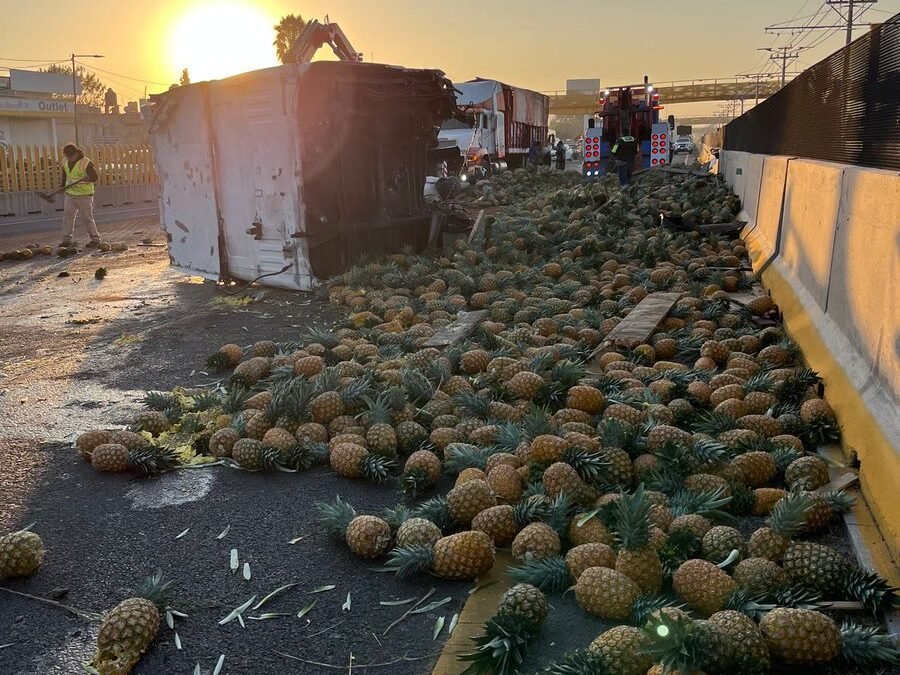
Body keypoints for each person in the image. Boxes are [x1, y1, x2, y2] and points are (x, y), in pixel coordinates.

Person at [59, 143, 102, 247]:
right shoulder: (65, 161)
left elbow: (95, 177)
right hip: (70, 194)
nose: (69, 159)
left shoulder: (86, 163)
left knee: (87, 218)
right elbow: (65, 174)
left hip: (84, 195)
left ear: (76, 154)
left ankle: (95, 239)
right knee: (68, 217)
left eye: (70, 156)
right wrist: (62, 186)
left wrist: (89, 178)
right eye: (67, 157)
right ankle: (66, 240)